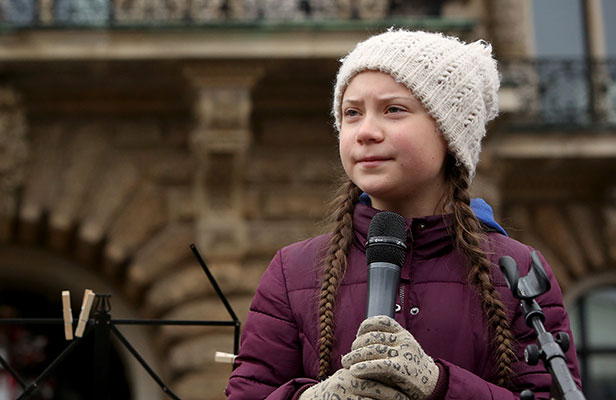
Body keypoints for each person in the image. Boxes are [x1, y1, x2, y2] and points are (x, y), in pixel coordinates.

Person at [225, 29, 582, 400]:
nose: (365, 131)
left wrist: (439, 386)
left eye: (393, 109)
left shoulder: (516, 271)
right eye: (351, 113)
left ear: (450, 132)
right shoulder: (293, 270)